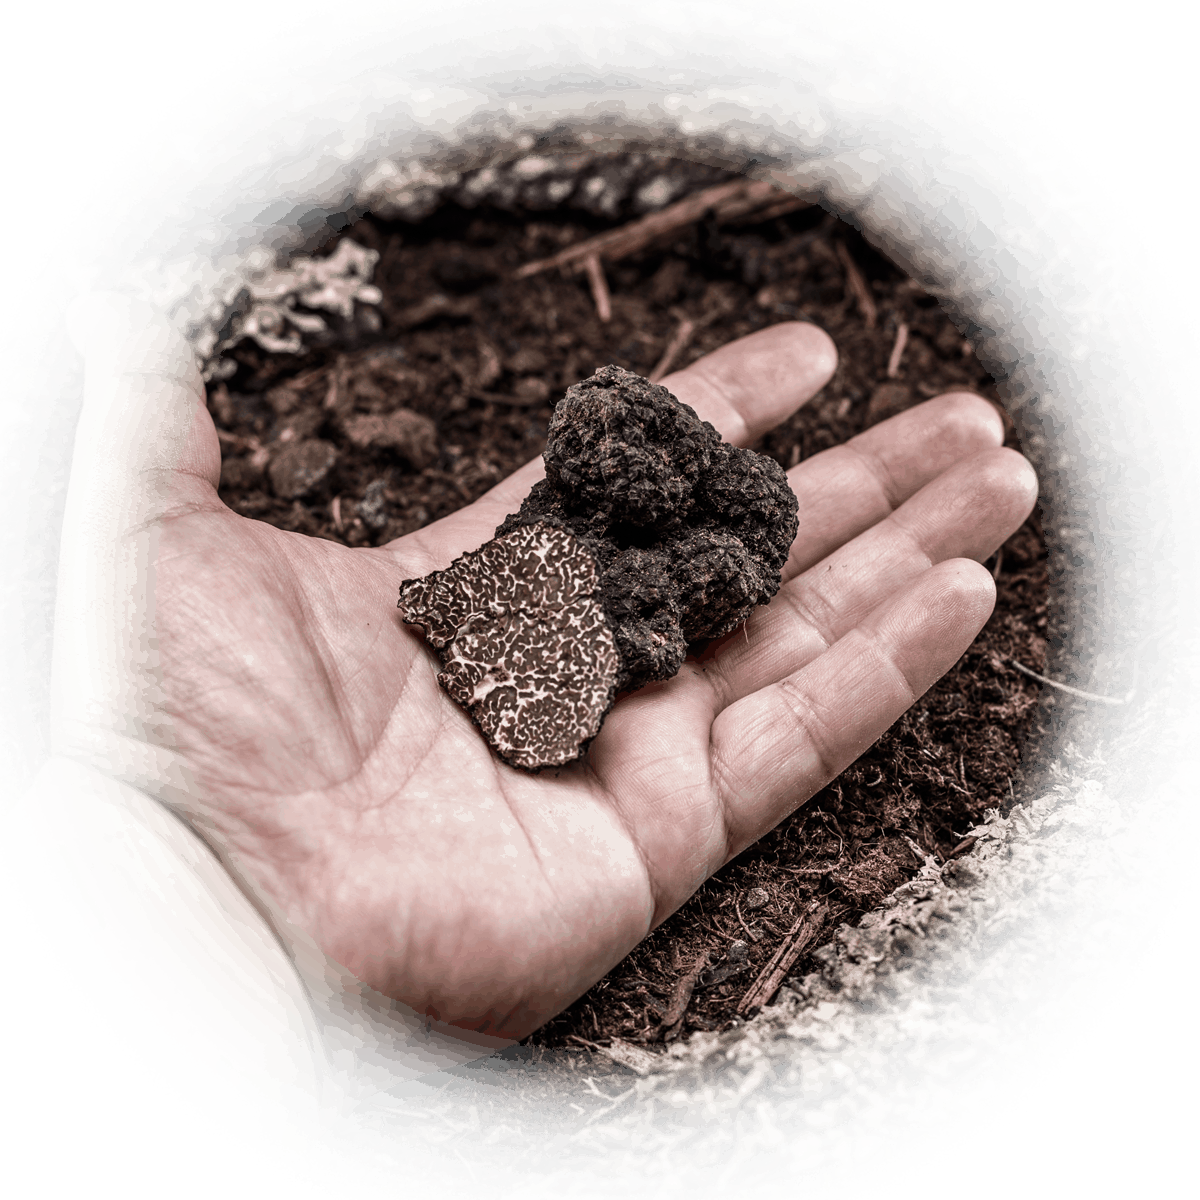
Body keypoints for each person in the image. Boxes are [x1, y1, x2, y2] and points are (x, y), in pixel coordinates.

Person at [0, 292, 1036, 1159]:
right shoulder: (558, 563)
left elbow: (698, 561)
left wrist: (145, 909)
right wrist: (165, 867)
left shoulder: (639, 576)